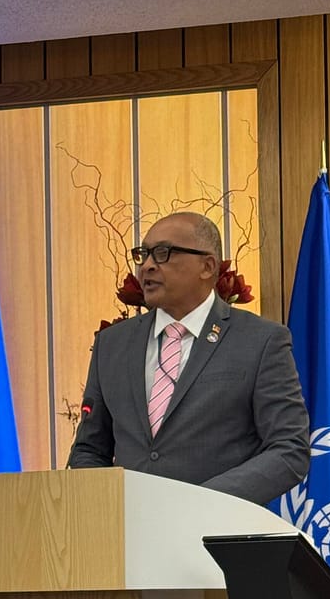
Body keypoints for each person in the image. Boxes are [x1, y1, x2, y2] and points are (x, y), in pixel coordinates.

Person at [68, 210, 310, 505]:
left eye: (163, 253)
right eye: (143, 254)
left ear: (207, 266)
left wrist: (200, 502)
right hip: (130, 526)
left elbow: (289, 449)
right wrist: (107, 505)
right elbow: (89, 450)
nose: (147, 266)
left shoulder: (260, 341)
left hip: (218, 525)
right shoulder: (112, 344)